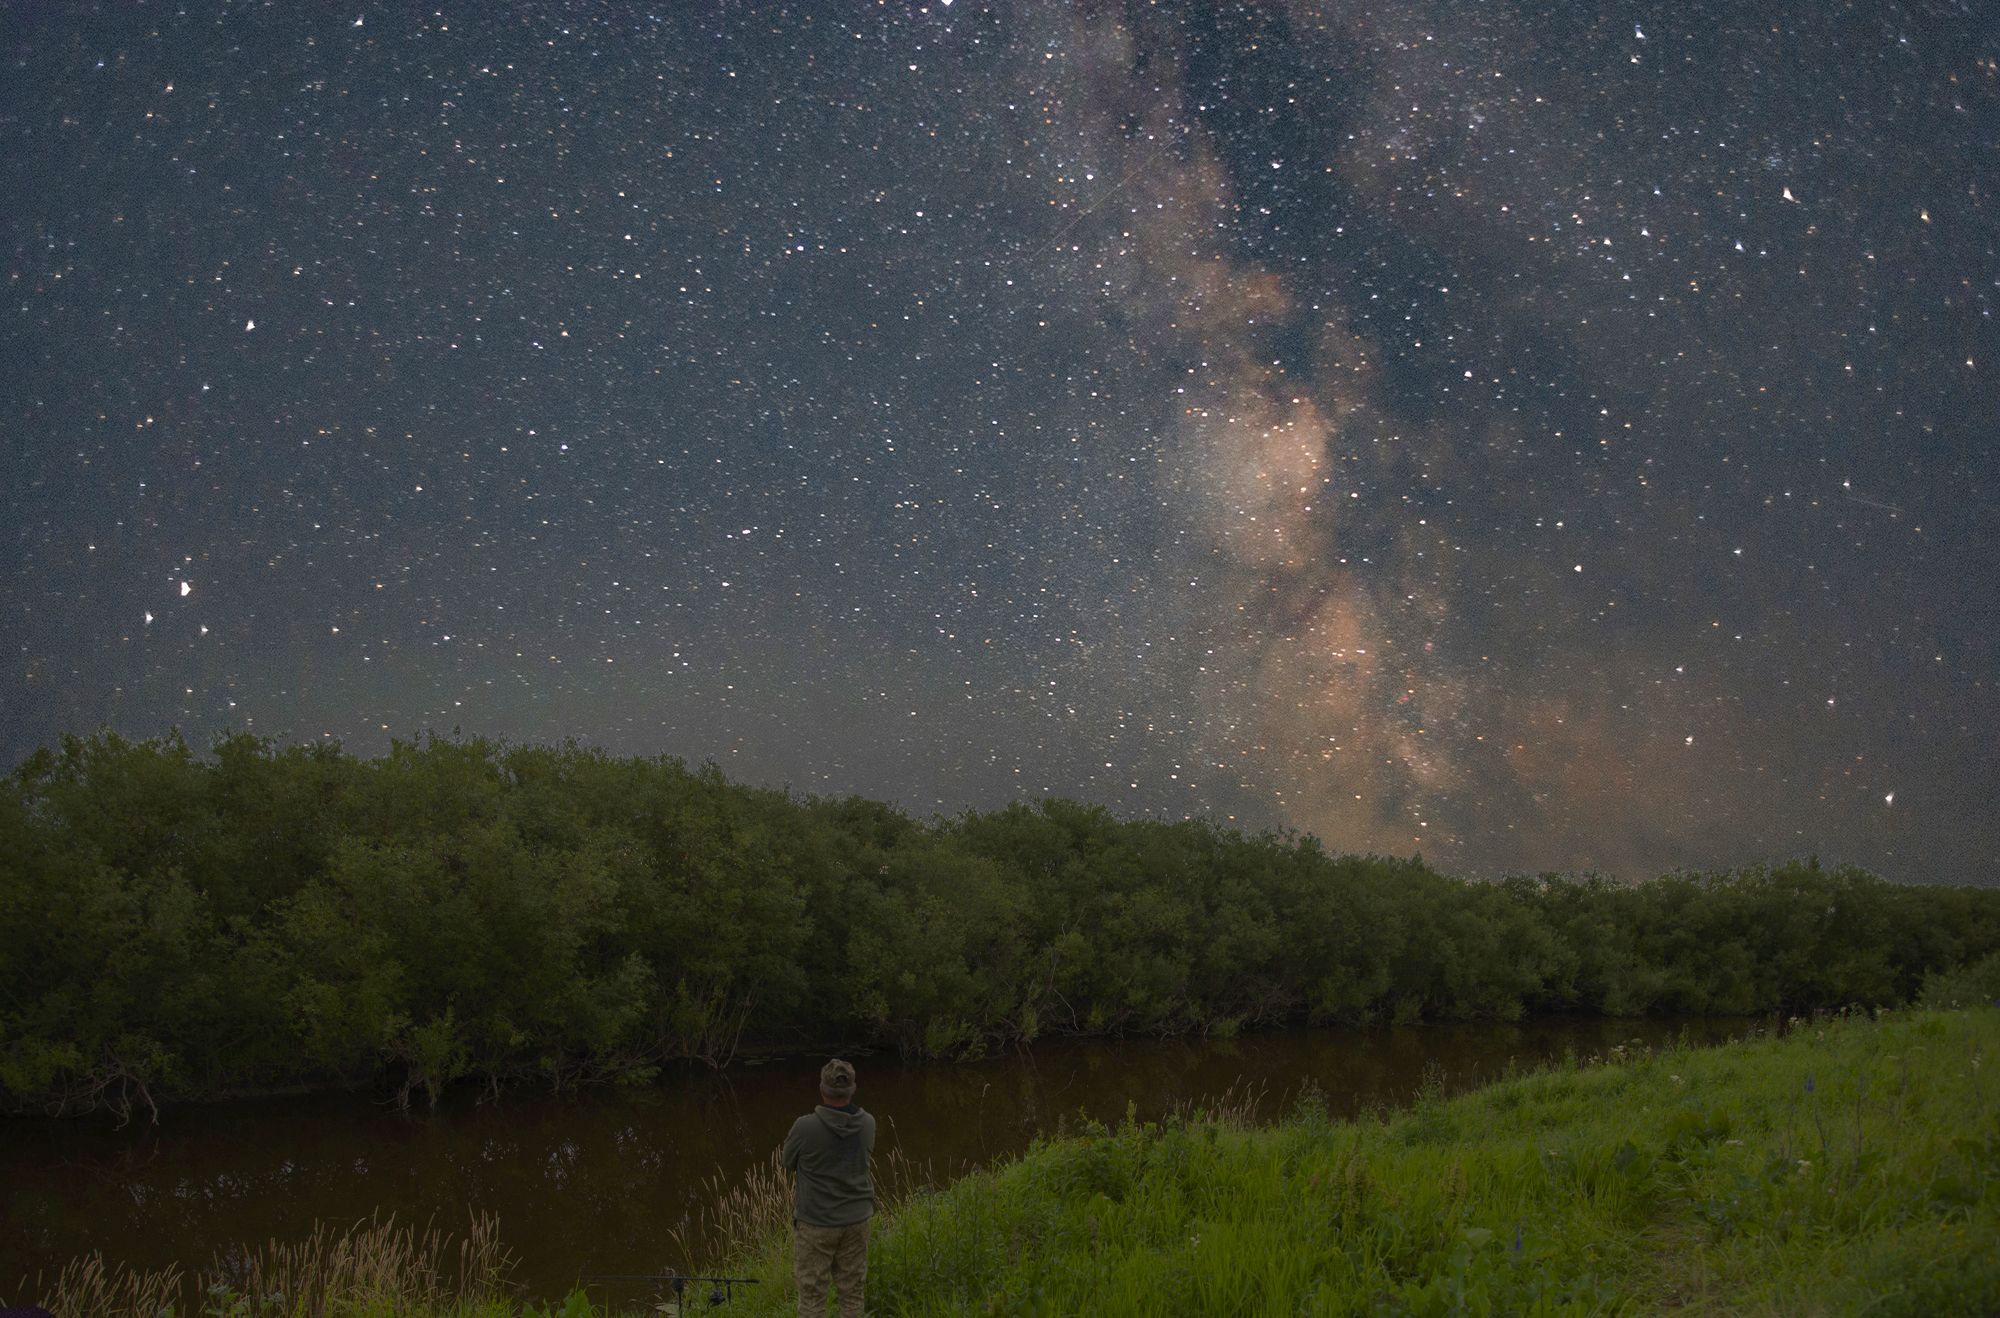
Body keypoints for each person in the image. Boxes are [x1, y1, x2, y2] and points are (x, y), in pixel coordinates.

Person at [782, 1058, 876, 1318]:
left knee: (812, 1297)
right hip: (857, 1219)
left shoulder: (805, 1127)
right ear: (852, 1089)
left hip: (816, 1223)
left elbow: (786, 1162)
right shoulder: (868, 1123)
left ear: (822, 1089)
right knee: (853, 1293)